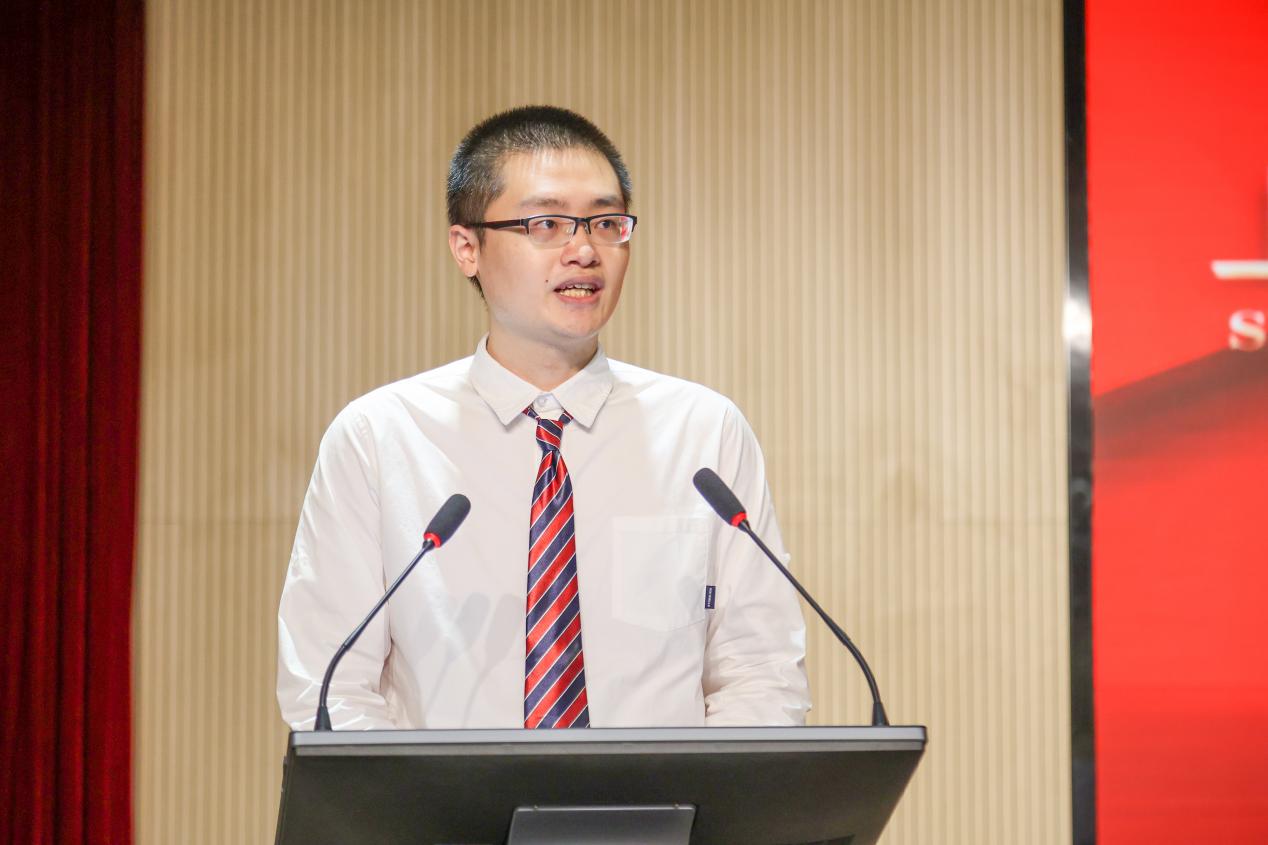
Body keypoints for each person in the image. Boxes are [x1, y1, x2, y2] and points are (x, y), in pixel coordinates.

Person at [277, 105, 810, 730]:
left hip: (663, 797)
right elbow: (331, 689)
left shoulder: (704, 433)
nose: (584, 251)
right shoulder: (379, 438)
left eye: (606, 223)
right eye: (547, 224)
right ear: (467, 247)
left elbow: (761, 672)